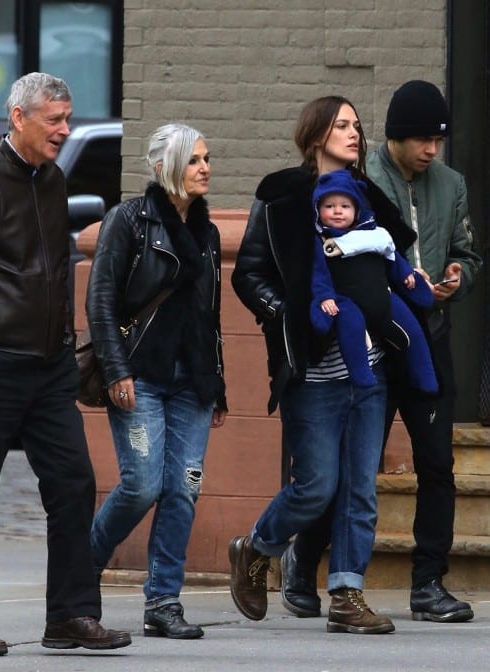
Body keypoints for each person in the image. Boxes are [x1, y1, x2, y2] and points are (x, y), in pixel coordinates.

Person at [0, 72, 131, 656]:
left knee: (73, 484)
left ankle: (69, 616)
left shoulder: (53, 178)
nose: (65, 130)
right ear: (19, 117)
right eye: (55, 120)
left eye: (67, 118)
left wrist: (65, 345)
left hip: (49, 367)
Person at [284, 80, 482, 623]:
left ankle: (428, 584)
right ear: (394, 137)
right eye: (421, 138)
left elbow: (468, 251)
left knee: (437, 462)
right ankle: (303, 565)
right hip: (371, 341)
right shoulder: (361, 180)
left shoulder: (451, 185)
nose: (431, 149)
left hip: (429, 333)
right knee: (352, 468)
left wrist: (457, 276)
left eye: (438, 140)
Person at [228, 96, 421, 635]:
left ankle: (346, 594)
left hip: (370, 370)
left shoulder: (370, 198)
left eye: (358, 125)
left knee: (360, 489)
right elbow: (249, 274)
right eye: (342, 125)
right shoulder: (280, 195)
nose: (355, 133)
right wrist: (285, 316)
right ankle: (257, 547)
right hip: (312, 373)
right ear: (315, 134)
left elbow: (393, 264)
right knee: (316, 486)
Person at [86, 123, 228, 640]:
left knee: (183, 491)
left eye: (207, 159)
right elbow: (99, 299)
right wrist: (116, 368)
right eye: (194, 161)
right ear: (165, 166)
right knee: (142, 485)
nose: (205, 169)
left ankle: (163, 602)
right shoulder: (129, 221)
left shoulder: (207, 233)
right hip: (140, 377)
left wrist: (218, 384)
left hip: (193, 383)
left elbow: (209, 315)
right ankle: (82, 571)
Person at [310, 168, 438, 393]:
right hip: (345, 300)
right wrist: (325, 296)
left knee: (412, 330)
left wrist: (406, 273)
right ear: (318, 209)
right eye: (329, 206)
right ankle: (361, 375)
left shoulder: (375, 234)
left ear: (357, 210)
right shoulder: (321, 240)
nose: (337, 211)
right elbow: (318, 273)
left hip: (382, 294)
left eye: (345, 206)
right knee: (351, 326)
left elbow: (392, 256)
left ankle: (426, 378)